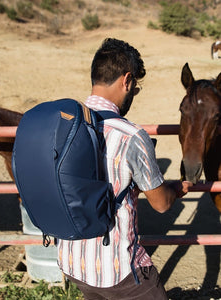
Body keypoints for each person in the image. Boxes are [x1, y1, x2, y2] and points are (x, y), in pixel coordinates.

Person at [57, 38, 192, 300]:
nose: (133, 94)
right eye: (135, 88)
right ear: (127, 80)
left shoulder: (64, 124)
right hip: (117, 271)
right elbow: (162, 204)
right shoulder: (131, 135)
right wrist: (175, 188)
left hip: (72, 262)